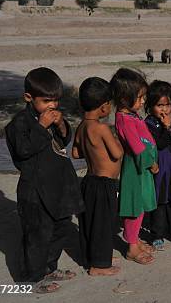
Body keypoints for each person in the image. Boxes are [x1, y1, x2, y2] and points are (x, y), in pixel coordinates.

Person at [5, 67, 83, 293]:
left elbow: (63, 141)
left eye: (56, 101)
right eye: (46, 101)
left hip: (58, 187)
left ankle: (49, 267)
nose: (52, 106)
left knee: (60, 227)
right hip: (34, 192)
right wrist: (41, 126)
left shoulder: (51, 117)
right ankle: (32, 278)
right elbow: (22, 150)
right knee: (37, 235)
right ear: (29, 98)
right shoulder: (19, 124)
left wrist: (60, 125)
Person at [72, 77, 123, 276]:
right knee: (103, 223)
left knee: (89, 222)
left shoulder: (82, 127)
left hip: (89, 181)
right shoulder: (102, 128)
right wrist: (118, 142)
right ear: (104, 107)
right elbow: (117, 153)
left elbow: (75, 153)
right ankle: (100, 265)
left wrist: (93, 151)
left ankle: (91, 256)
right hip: (104, 184)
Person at [111, 68, 159, 264]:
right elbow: (138, 148)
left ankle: (135, 238)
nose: (142, 102)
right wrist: (151, 162)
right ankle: (131, 247)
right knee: (134, 207)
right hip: (135, 168)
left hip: (142, 167)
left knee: (140, 206)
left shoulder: (131, 115)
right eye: (139, 98)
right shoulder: (124, 120)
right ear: (124, 98)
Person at [144, 80, 171, 250]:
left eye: (167, 105)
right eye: (159, 105)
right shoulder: (149, 124)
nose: (164, 110)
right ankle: (157, 234)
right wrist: (166, 128)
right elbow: (159, 144)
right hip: (159, 171)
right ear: (151, 106)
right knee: (159, 203)